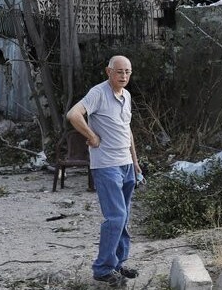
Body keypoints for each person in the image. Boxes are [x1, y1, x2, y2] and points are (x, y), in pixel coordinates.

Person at [67, 55, 142, 287]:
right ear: (108, 71)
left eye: (127, 72)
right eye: (119, 72)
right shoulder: (98, 93)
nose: (124, 76)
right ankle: (102, 268)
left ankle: (118, 263)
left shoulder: (126, 95)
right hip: (107, 165)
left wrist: (135, 162)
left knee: (125, 217)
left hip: (126, 164)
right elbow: (73, 114)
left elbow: (127, 130)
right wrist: (91, 136)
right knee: (116, 217)